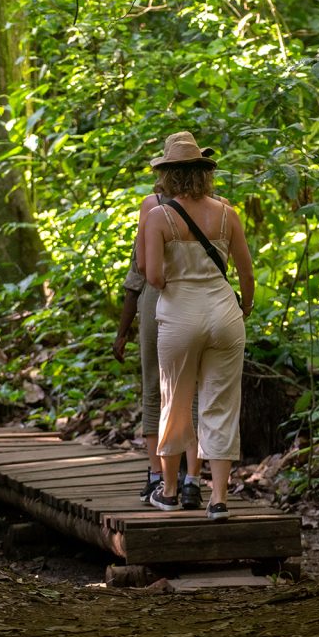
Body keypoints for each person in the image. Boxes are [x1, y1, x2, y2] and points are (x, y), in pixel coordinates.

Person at [141, 132, 254, 521]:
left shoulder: (159, 216)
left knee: (176, 401)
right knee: (221, 404)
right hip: (225, 314)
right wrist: (246, 308)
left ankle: (169, 490)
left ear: (169, 175)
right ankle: (219, 499)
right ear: (205, 174)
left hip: (180, 315)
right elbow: (245, 273)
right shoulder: (227, 214)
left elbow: (153, 276)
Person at [114, 177, 202, 509]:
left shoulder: (152, 208)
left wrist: (122, 333)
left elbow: (137, 274)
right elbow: (136, 277)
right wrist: (123, 332)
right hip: (192, 303)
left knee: (159, 389)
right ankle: (183, 478)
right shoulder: (214, 209)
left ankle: (162, 477)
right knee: (183, 390)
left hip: (162, 301)